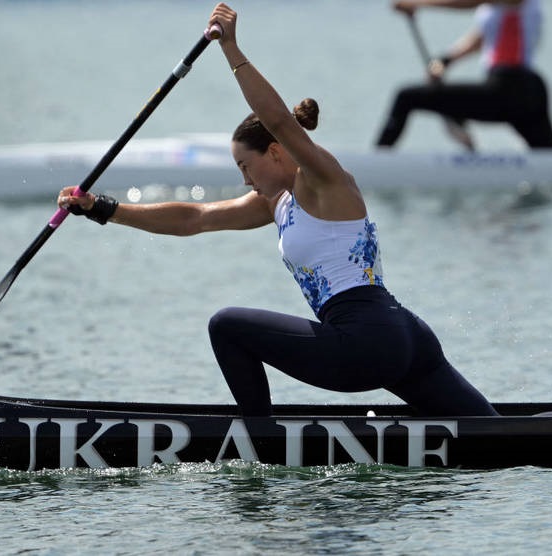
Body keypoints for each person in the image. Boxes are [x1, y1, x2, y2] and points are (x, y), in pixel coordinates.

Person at [58, 3, 498, 418]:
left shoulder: (324, 181)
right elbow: (194, 218)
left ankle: (259, 441)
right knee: (496, 436)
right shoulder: (278, 203)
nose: (245, 179)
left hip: (364, 341)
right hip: (405, 339)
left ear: (274, 152)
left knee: (227, 326)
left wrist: (230, 47)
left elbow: (280, 120)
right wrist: (102, 209)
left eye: (245, 166)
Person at [376, 0, 552, 150]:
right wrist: (445, 61)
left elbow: (470, 2)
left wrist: (417, 3)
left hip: (511, 87)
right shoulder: (499, 10)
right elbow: (480, 39)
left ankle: (377, 161)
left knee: (406, 97)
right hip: (526, 91)